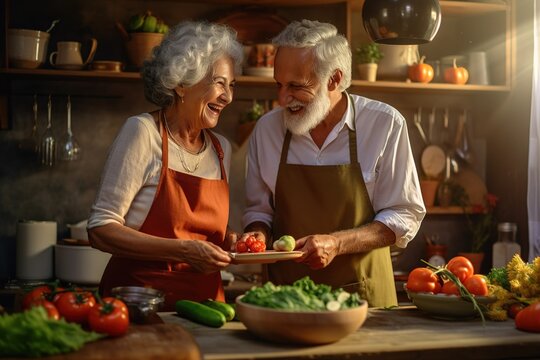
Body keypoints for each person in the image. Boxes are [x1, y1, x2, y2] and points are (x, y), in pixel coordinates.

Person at [241, 19, 426, 308]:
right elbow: (259, 210)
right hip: (286, 300)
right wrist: (257, 233)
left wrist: (337, 243)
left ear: (334, 79)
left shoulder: (385, 124)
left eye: (296, 86)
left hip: (365, 298)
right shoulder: (267, 130)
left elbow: (404, 215)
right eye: (278, 84)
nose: (282, 98)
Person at [87, 21, 243, 311]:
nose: (228, 96)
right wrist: (184, 249)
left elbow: (199, 228)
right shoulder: (142, 132)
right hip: (138, 303)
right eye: (219, 82)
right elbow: (100, 229)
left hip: (207, 307)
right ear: (182, 83)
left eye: (232, 85)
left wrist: (229, 238)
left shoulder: (222, 149)